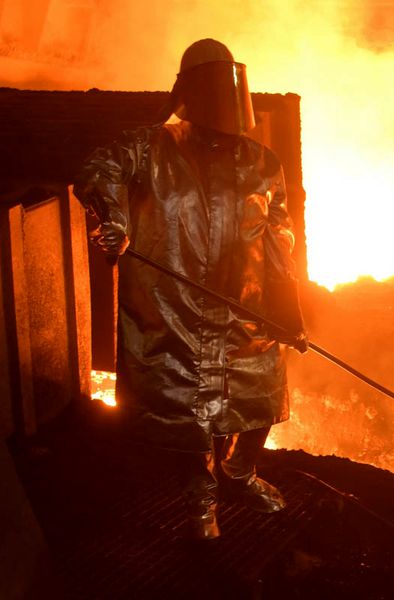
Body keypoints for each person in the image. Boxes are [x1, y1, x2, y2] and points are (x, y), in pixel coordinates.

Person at [74, 38, 307, 540]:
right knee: (186, 407)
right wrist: (114, 219)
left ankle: (239, 473)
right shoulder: (148, 148)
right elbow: (100, 170)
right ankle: (201, 495)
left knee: (260, 392)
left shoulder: (262, 163)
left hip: (243, 309)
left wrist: (288, 311)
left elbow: (278, 237)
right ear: (192, 95)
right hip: (172, 307)